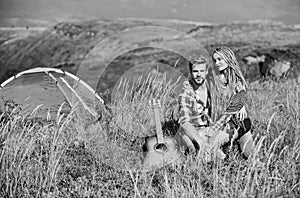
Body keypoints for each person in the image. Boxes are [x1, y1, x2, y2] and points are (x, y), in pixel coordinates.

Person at [208, 46, 255, 159]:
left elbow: (239, 97)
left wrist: (241, 104)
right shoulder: (212, 78)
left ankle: (229, 165)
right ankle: (228, 164)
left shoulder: (236, 80)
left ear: (228, 59)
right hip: (225, 122)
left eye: (220, 59)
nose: (217, 63)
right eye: (215, 60)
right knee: (210, 147)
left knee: (253, 160)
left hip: (237, 123)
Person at [177, 57, 225, 161]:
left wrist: (241, 105)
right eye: (195, 71)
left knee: (239, 129)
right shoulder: (186, 93)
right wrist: (201, 143)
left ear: (206, 71)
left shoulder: (212, 87)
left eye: (202, 71)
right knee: (205, 150)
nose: (198, 75)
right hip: (194, 132)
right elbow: (185, 122)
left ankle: (254, 160)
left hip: (211, 128)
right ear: (190, 72)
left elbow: (233, 87)